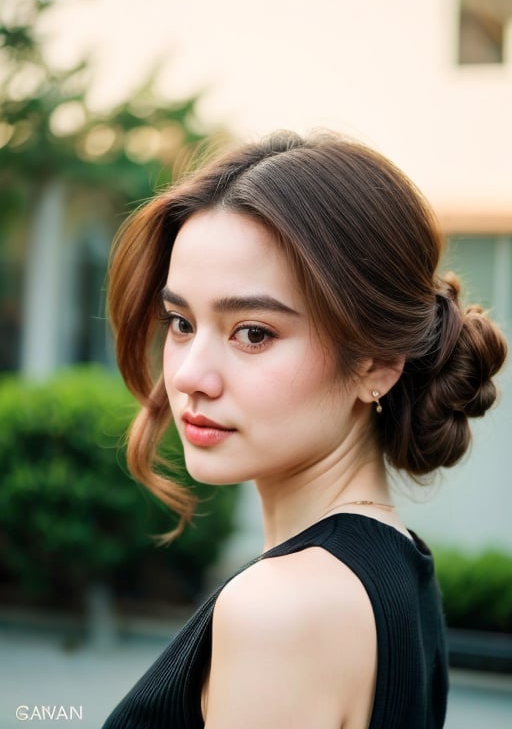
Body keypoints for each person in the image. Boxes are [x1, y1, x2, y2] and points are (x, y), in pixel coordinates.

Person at [102, 130, 507, 729]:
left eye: (254, 333)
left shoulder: (282, 610)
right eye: (181, 322)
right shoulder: (396, 568)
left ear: (375, 362)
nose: (190, 374)